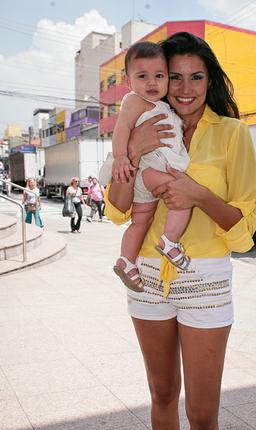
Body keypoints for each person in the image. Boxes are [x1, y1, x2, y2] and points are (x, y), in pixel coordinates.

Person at [105, 31, 256, 430]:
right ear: (158, 78)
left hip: (206, 280)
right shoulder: (145, 118)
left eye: (197, 76)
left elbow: (244, 227)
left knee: (203, 409)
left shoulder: (234, 134)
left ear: (210, 80)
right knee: (163, 393)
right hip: (148, 277)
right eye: (175, 76)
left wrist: (198, 194)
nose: (185, 88)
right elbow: (118, 207)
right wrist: (135, 146)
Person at [99, 41, 190, 291]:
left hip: (145, 174)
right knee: (182, 196)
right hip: (151, 168)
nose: (152, 83)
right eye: (143, 76)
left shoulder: (163, 105)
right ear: (129, 82)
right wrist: (120, 157)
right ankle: (170, 241)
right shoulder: (135, 101)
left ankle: (127, 261)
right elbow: (122, 129)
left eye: (159, 76)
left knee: (141, 221)